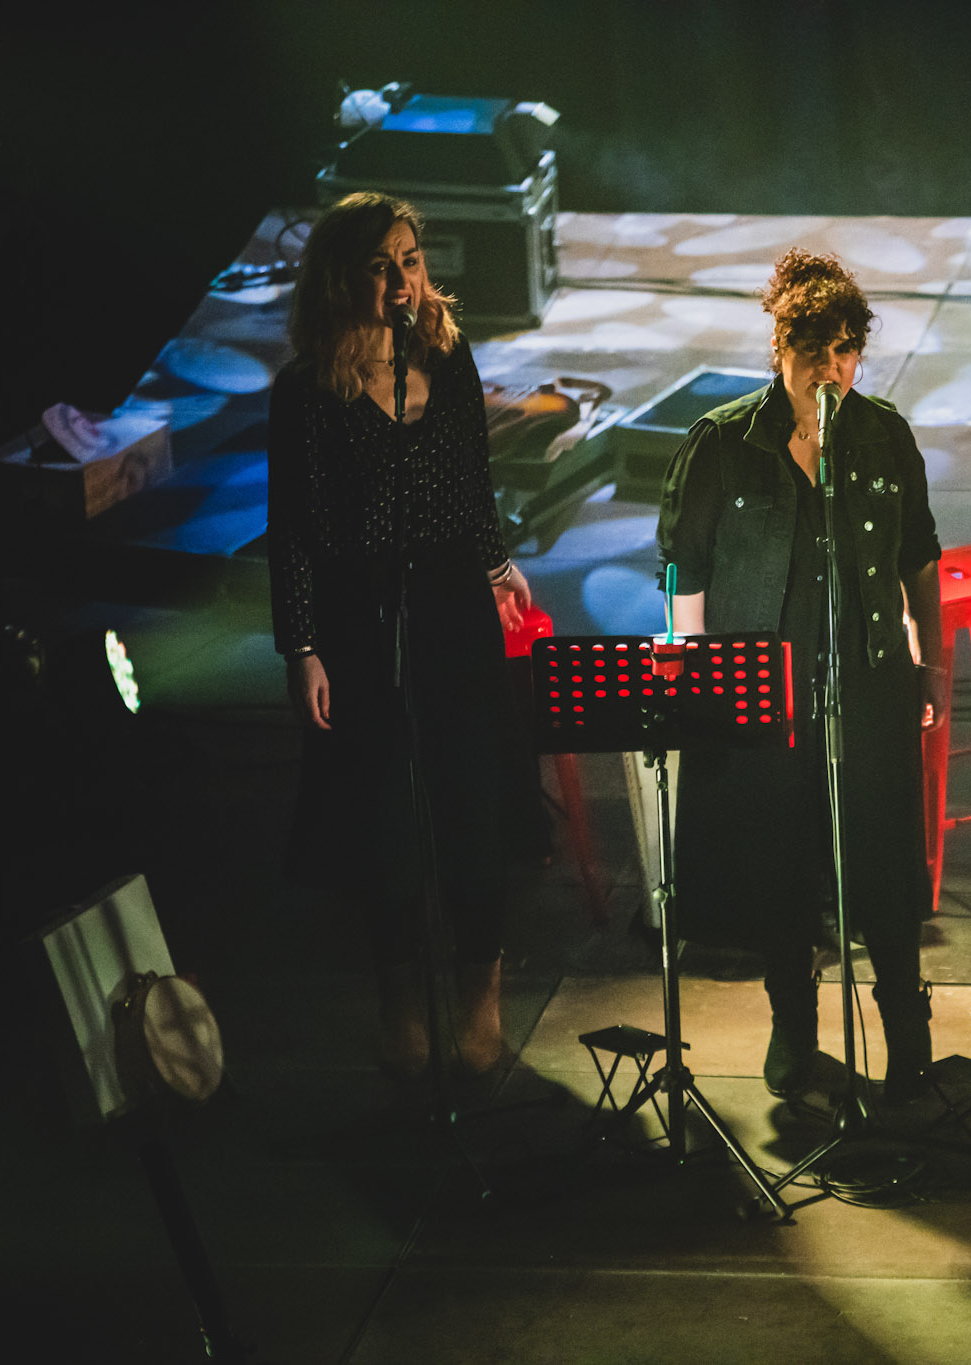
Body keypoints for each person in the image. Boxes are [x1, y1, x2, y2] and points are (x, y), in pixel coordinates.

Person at [656, 248, 947, 1105]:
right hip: (765, 692)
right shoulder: (722, 442)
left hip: (868, 680)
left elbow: (919, 557)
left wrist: (933, 663)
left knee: (882, 860)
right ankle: (794, 1024)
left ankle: (907, 1029)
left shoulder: (883, 433)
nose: (833, 367)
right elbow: (683, 567)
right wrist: (696, 681)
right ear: (780, 349)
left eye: (847, 350)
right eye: (815, 350)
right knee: (779, 861)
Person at [268, 191, 533, 1080]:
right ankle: (399, 997)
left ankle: (482, 987)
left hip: (450, 599)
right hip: (360, 613)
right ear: (344, 279)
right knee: (383, 820)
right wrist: (303, 645)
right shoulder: (305, 392)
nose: (401, 282)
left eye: (411, 261)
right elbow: (292, 528)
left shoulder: (449, 362)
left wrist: (498, 568)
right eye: (381, 266)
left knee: (472, 806)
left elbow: (473, 483)